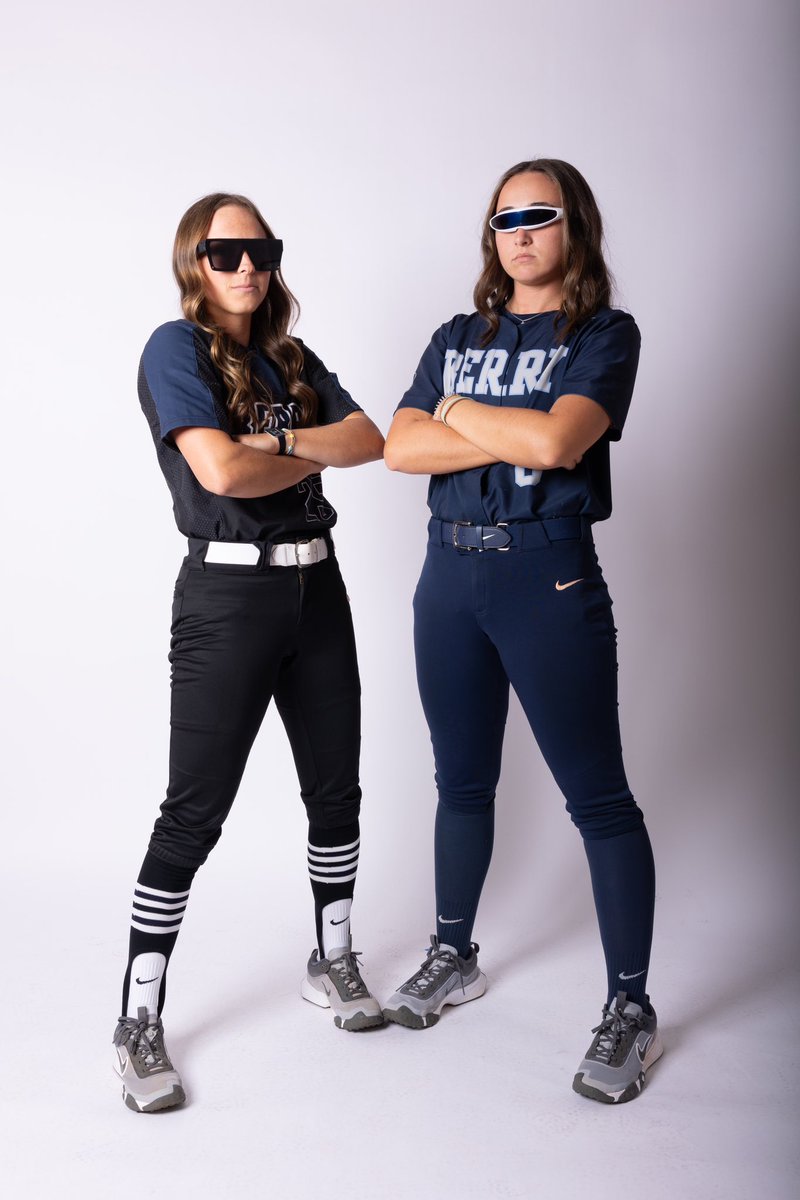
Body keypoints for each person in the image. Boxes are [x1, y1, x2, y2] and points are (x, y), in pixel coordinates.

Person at [383, 159, 661, 1104]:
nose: (521, 231)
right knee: (461, 782)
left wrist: (458, 414)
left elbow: (556, 445)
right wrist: (498, 422)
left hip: (547, 569)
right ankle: (453, 952)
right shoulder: (457, 334)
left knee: (599, 797)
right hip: (448, 572)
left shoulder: (604, 333)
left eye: (540, 215)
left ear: (572, 227)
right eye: (505, 218)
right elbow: (397, 446)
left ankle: (631, 1006)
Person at [112, 193, 385, 1113]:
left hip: (319, 588)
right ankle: (138, 1018)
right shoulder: (175, 347)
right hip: (228, 596)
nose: (245, 267)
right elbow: (220, 473)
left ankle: (333, 957)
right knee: (192, 811)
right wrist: (306, 451)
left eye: (260, 249)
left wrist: (273, 440)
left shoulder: (292, 358)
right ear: (196, 259)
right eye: (225, 251)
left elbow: (371, 439)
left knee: (336, 788)